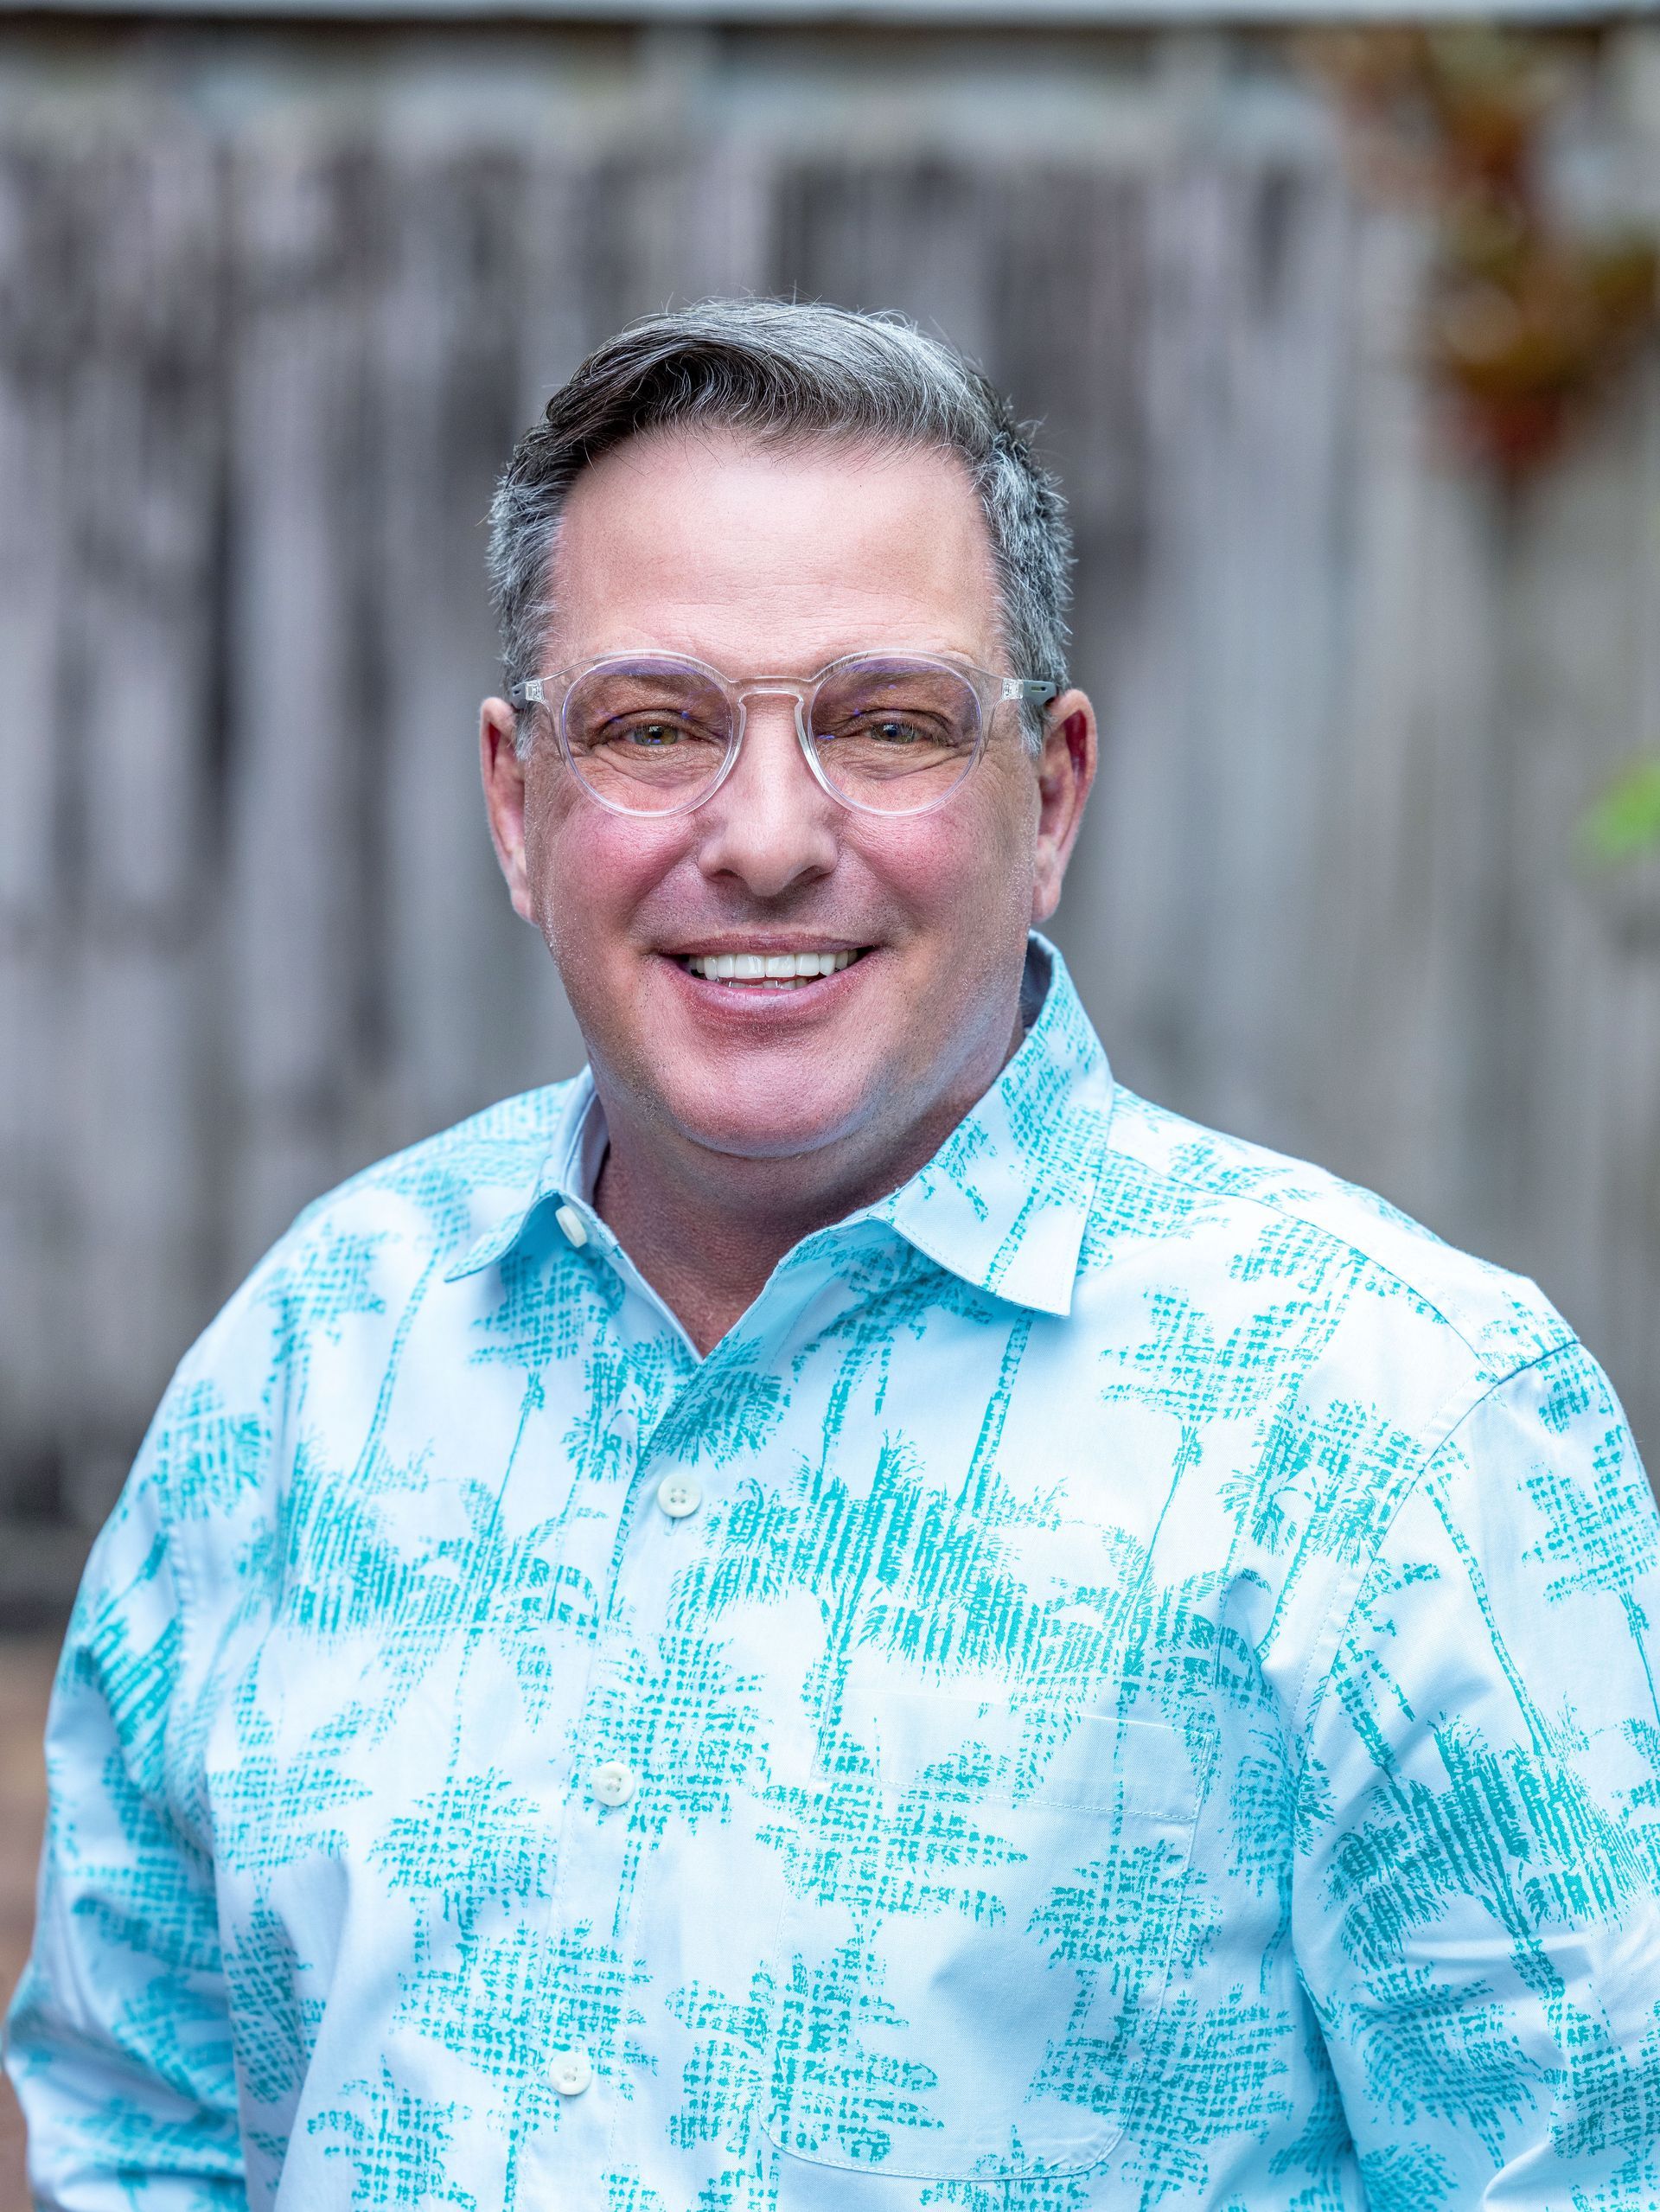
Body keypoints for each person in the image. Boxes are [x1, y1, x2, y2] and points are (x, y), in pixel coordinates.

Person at [9, 298, 1659, 2212]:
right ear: (516, 806)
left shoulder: (1394, 1430)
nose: (771, 837)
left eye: (887, 724)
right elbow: (140, 2118)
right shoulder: (314, 1361)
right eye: (654, 727)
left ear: (1049, 797)